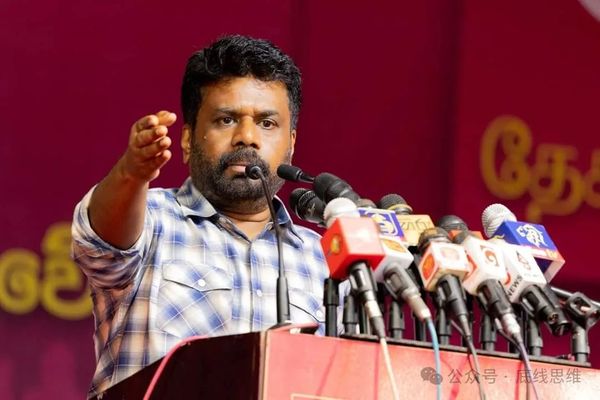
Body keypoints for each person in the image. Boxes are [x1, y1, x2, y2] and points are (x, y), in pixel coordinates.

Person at [71, 35, 332, 397]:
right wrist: (131, 173)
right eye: (226, 120)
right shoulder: (152, 219)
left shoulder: (324, 258)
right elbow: (99, 244)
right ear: (188, 139)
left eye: (267, 123)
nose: (247, 137)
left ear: (291, 143)